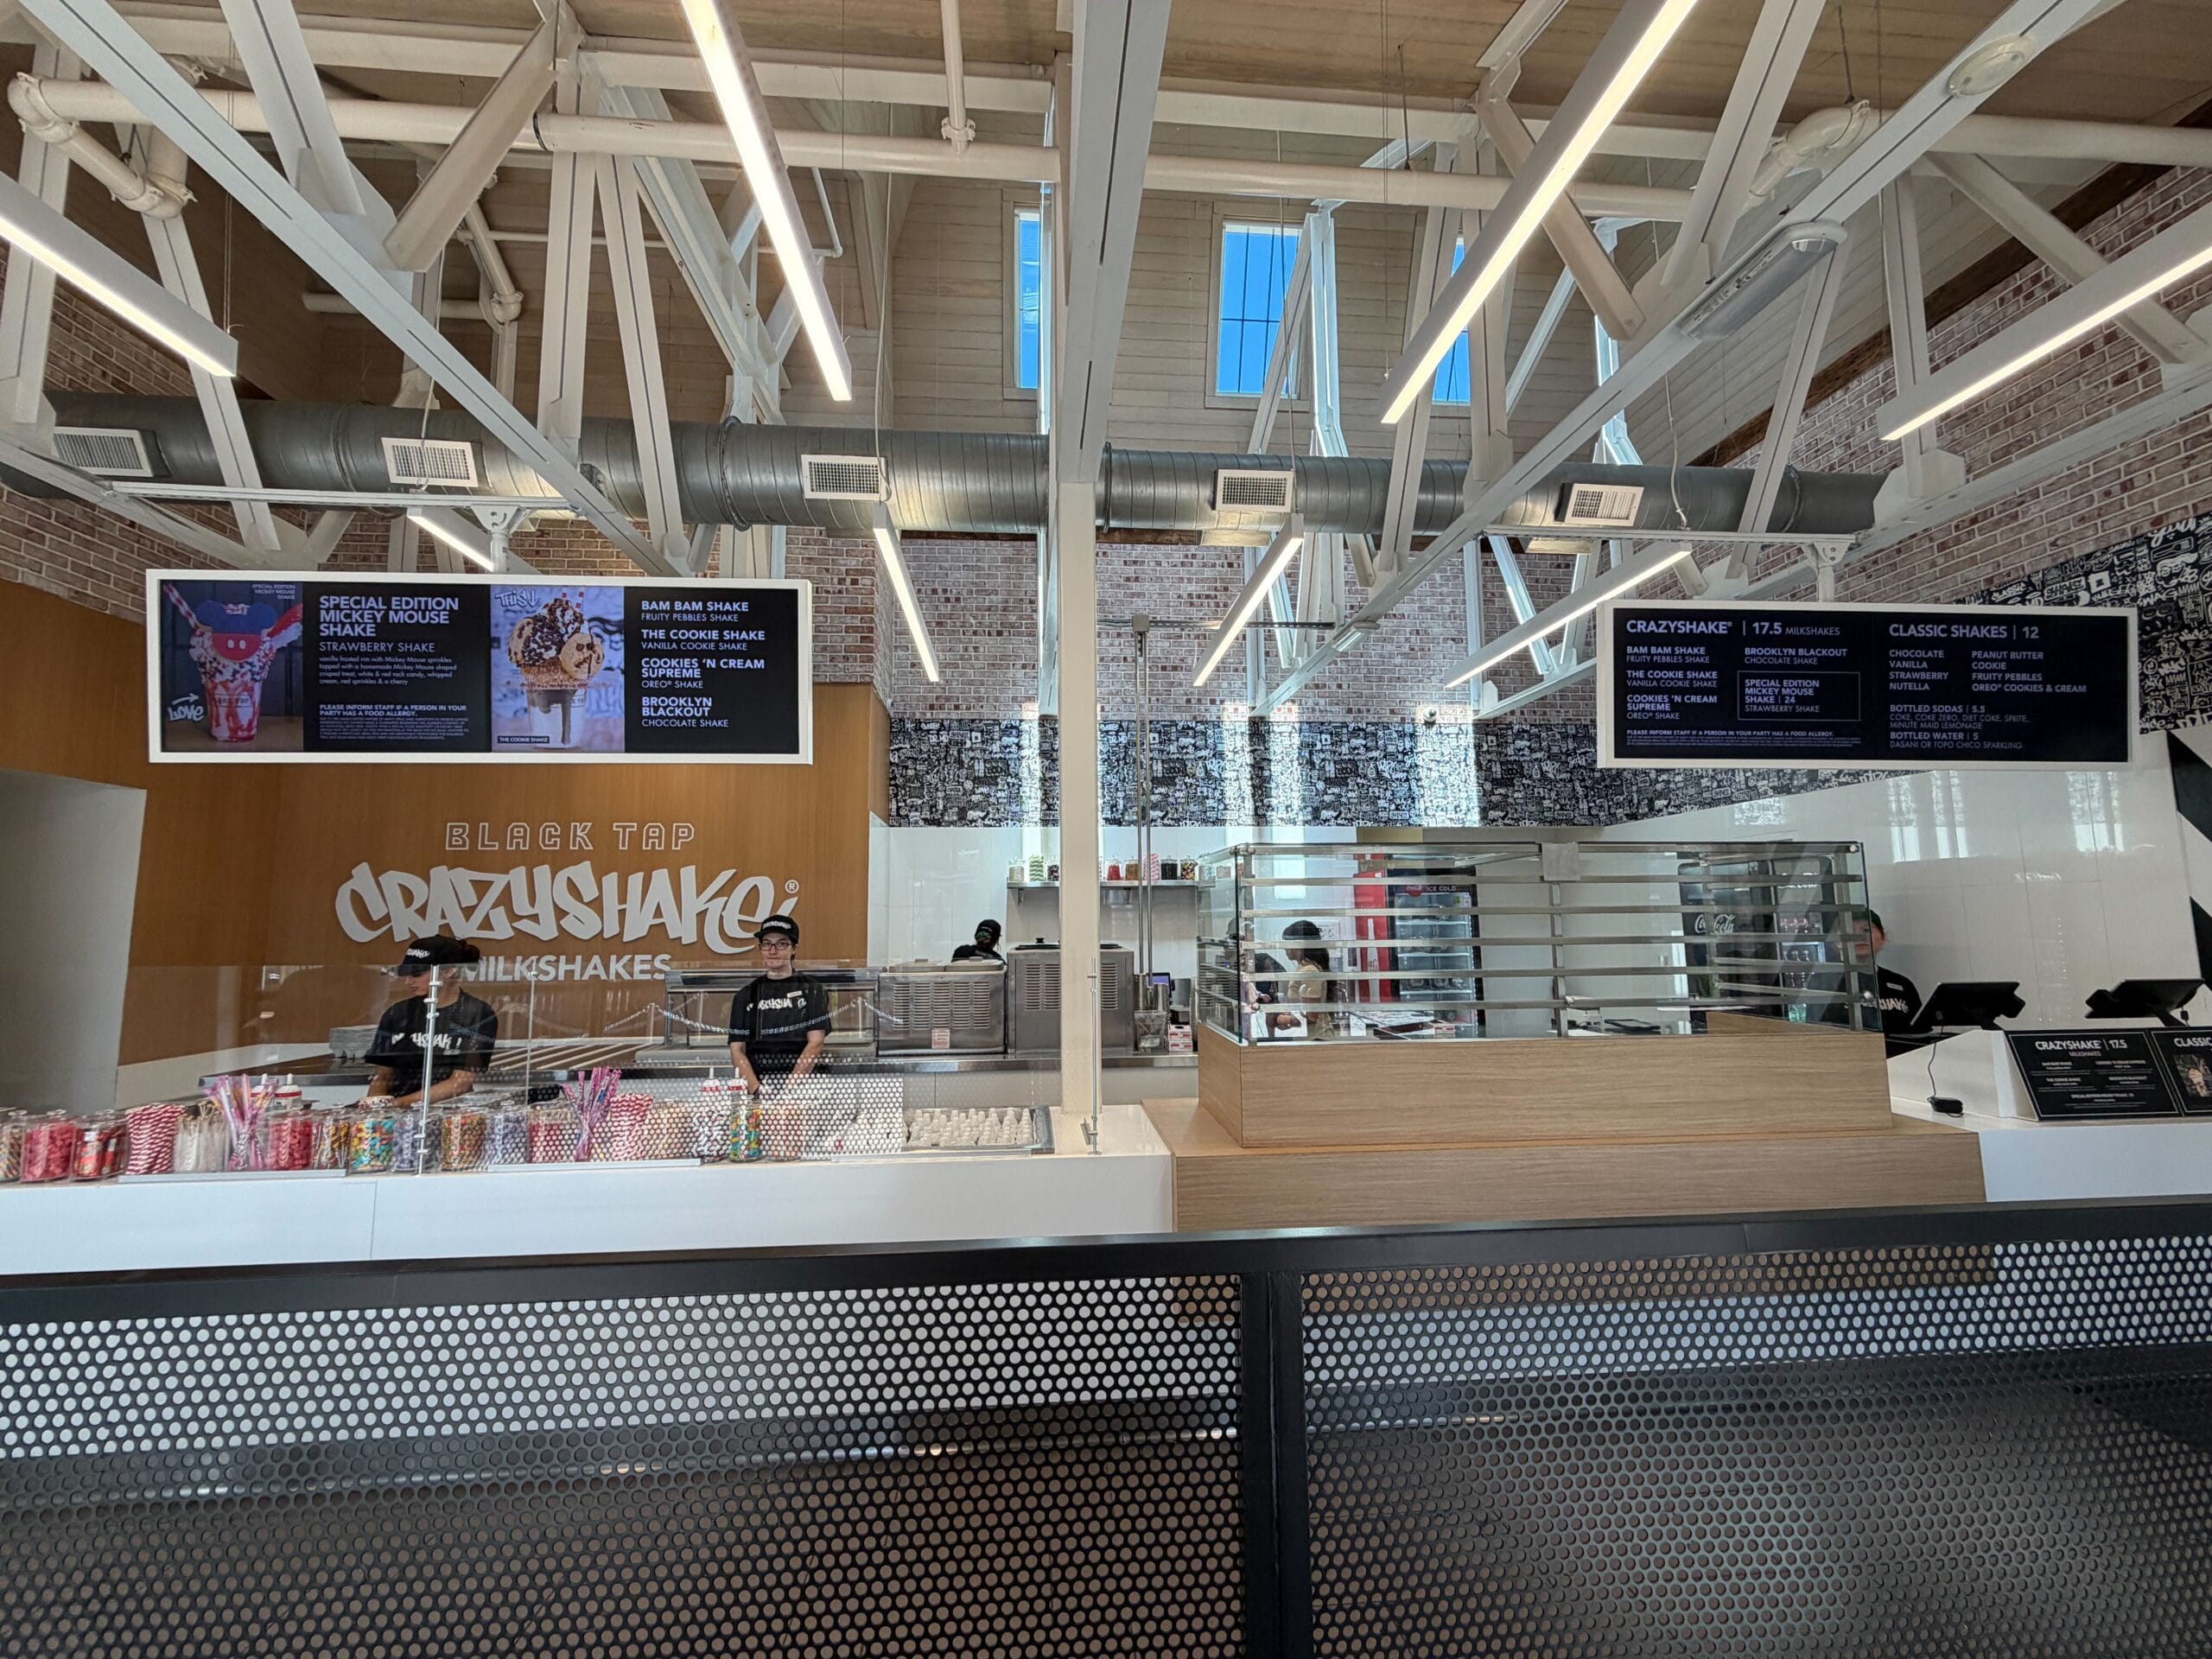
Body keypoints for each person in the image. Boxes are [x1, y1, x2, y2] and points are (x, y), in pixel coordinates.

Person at [364, 935, 498, 1108]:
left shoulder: (477, 1013)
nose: (408, 981)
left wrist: (399, 1104)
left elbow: (460, 1082)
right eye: (406, 974)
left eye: (417, 974)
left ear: (449, 971)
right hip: (396, 1112)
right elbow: (382, 1076)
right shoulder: (397, 1013)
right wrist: (375, 1110)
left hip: (449, 1111)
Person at [728, 914, 831, 1091]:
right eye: (767, 944)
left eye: (781, 944)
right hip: (759, 1085)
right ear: (760, 948)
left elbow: (815, 1043)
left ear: (794, 949)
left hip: (803, 1086)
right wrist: (757, 1091)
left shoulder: (812, 990)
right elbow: (737, 1049)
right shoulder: (745, 995)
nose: (773, 950)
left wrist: (789, 1091)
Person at [1281, 918, 1344, 1039]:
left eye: (1286, 943)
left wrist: (1281, 1019)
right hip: (1306, 1037)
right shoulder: (1303, 967)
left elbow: (1311, 1017)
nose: (1284, 948)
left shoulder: (1309, 971)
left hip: (1316, 1038)